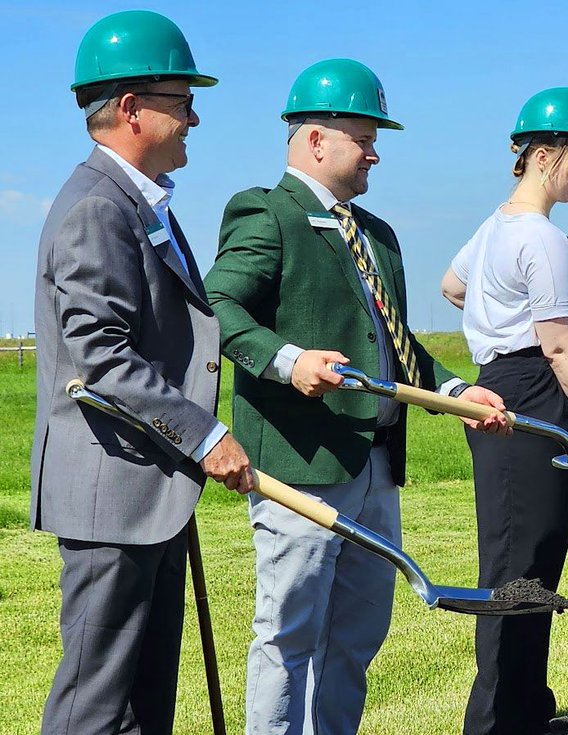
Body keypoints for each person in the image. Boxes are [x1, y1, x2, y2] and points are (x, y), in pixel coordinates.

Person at [205, 59, 508, 734]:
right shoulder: (267, 211)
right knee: (289, 634)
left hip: (376, 466)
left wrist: (460, 391)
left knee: (357, 633)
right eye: (364, 135)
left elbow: (395, 345)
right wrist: (290, 360)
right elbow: (218, 305)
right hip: (301, 465)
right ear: (316, 139)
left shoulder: (377, 234)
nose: (375, 151)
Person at [32, 11, 253, 734]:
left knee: (142, 704)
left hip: (146, 494)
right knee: (94, 707)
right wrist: (203, 435)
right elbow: (102, 357)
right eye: (181, 98)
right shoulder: (99, 207)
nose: (194, 115)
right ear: (131, 108)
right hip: (112, 498)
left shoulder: (139, 202)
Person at [440, 87, 568, 735]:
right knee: (518, 566)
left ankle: (524, 709)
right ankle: (493, 721)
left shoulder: (496, 227)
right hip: (532, 390)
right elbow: (560, 346)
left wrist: (495, 318)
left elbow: (453, 285)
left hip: (506, 381)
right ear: (542, 155)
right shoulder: (541, 238)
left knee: (532, 560)